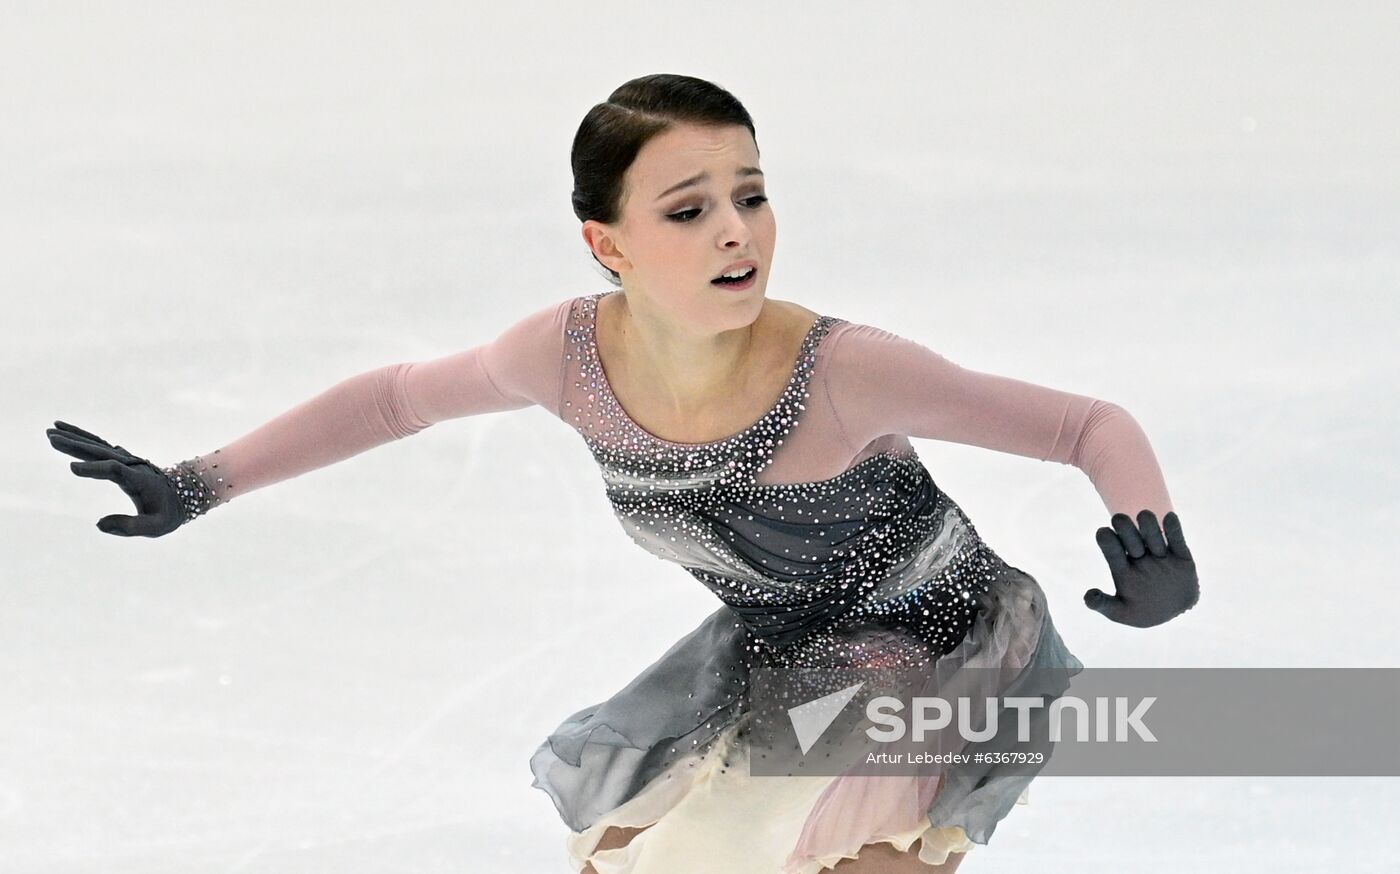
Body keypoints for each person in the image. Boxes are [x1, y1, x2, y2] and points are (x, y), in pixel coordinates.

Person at [47, 73, 1199, 874]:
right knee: (624, 853)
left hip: (944, 646)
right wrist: (197, 481)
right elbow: (396, 397)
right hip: (779, 656)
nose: (736, 232)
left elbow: (1087, 424)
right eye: (689, 209)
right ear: (607, 243)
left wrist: (1155, 544)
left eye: (750, 194)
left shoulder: (841, 371)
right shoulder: (564, 357)